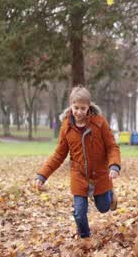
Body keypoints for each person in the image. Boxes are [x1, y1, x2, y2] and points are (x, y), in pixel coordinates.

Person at [34, 86, 121, 242]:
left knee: (103, 207)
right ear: (70, 106)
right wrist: (42, 175)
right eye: (76, 108)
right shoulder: (66, 128)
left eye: (83, 108)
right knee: (80, 213)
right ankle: (85, 238)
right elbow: (59, 155)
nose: (79, 112)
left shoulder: (99, 123)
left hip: (100, 174)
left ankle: (109, 194)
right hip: (79, 176)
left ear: (89, 107)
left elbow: (112, 146)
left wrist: (114, 165)